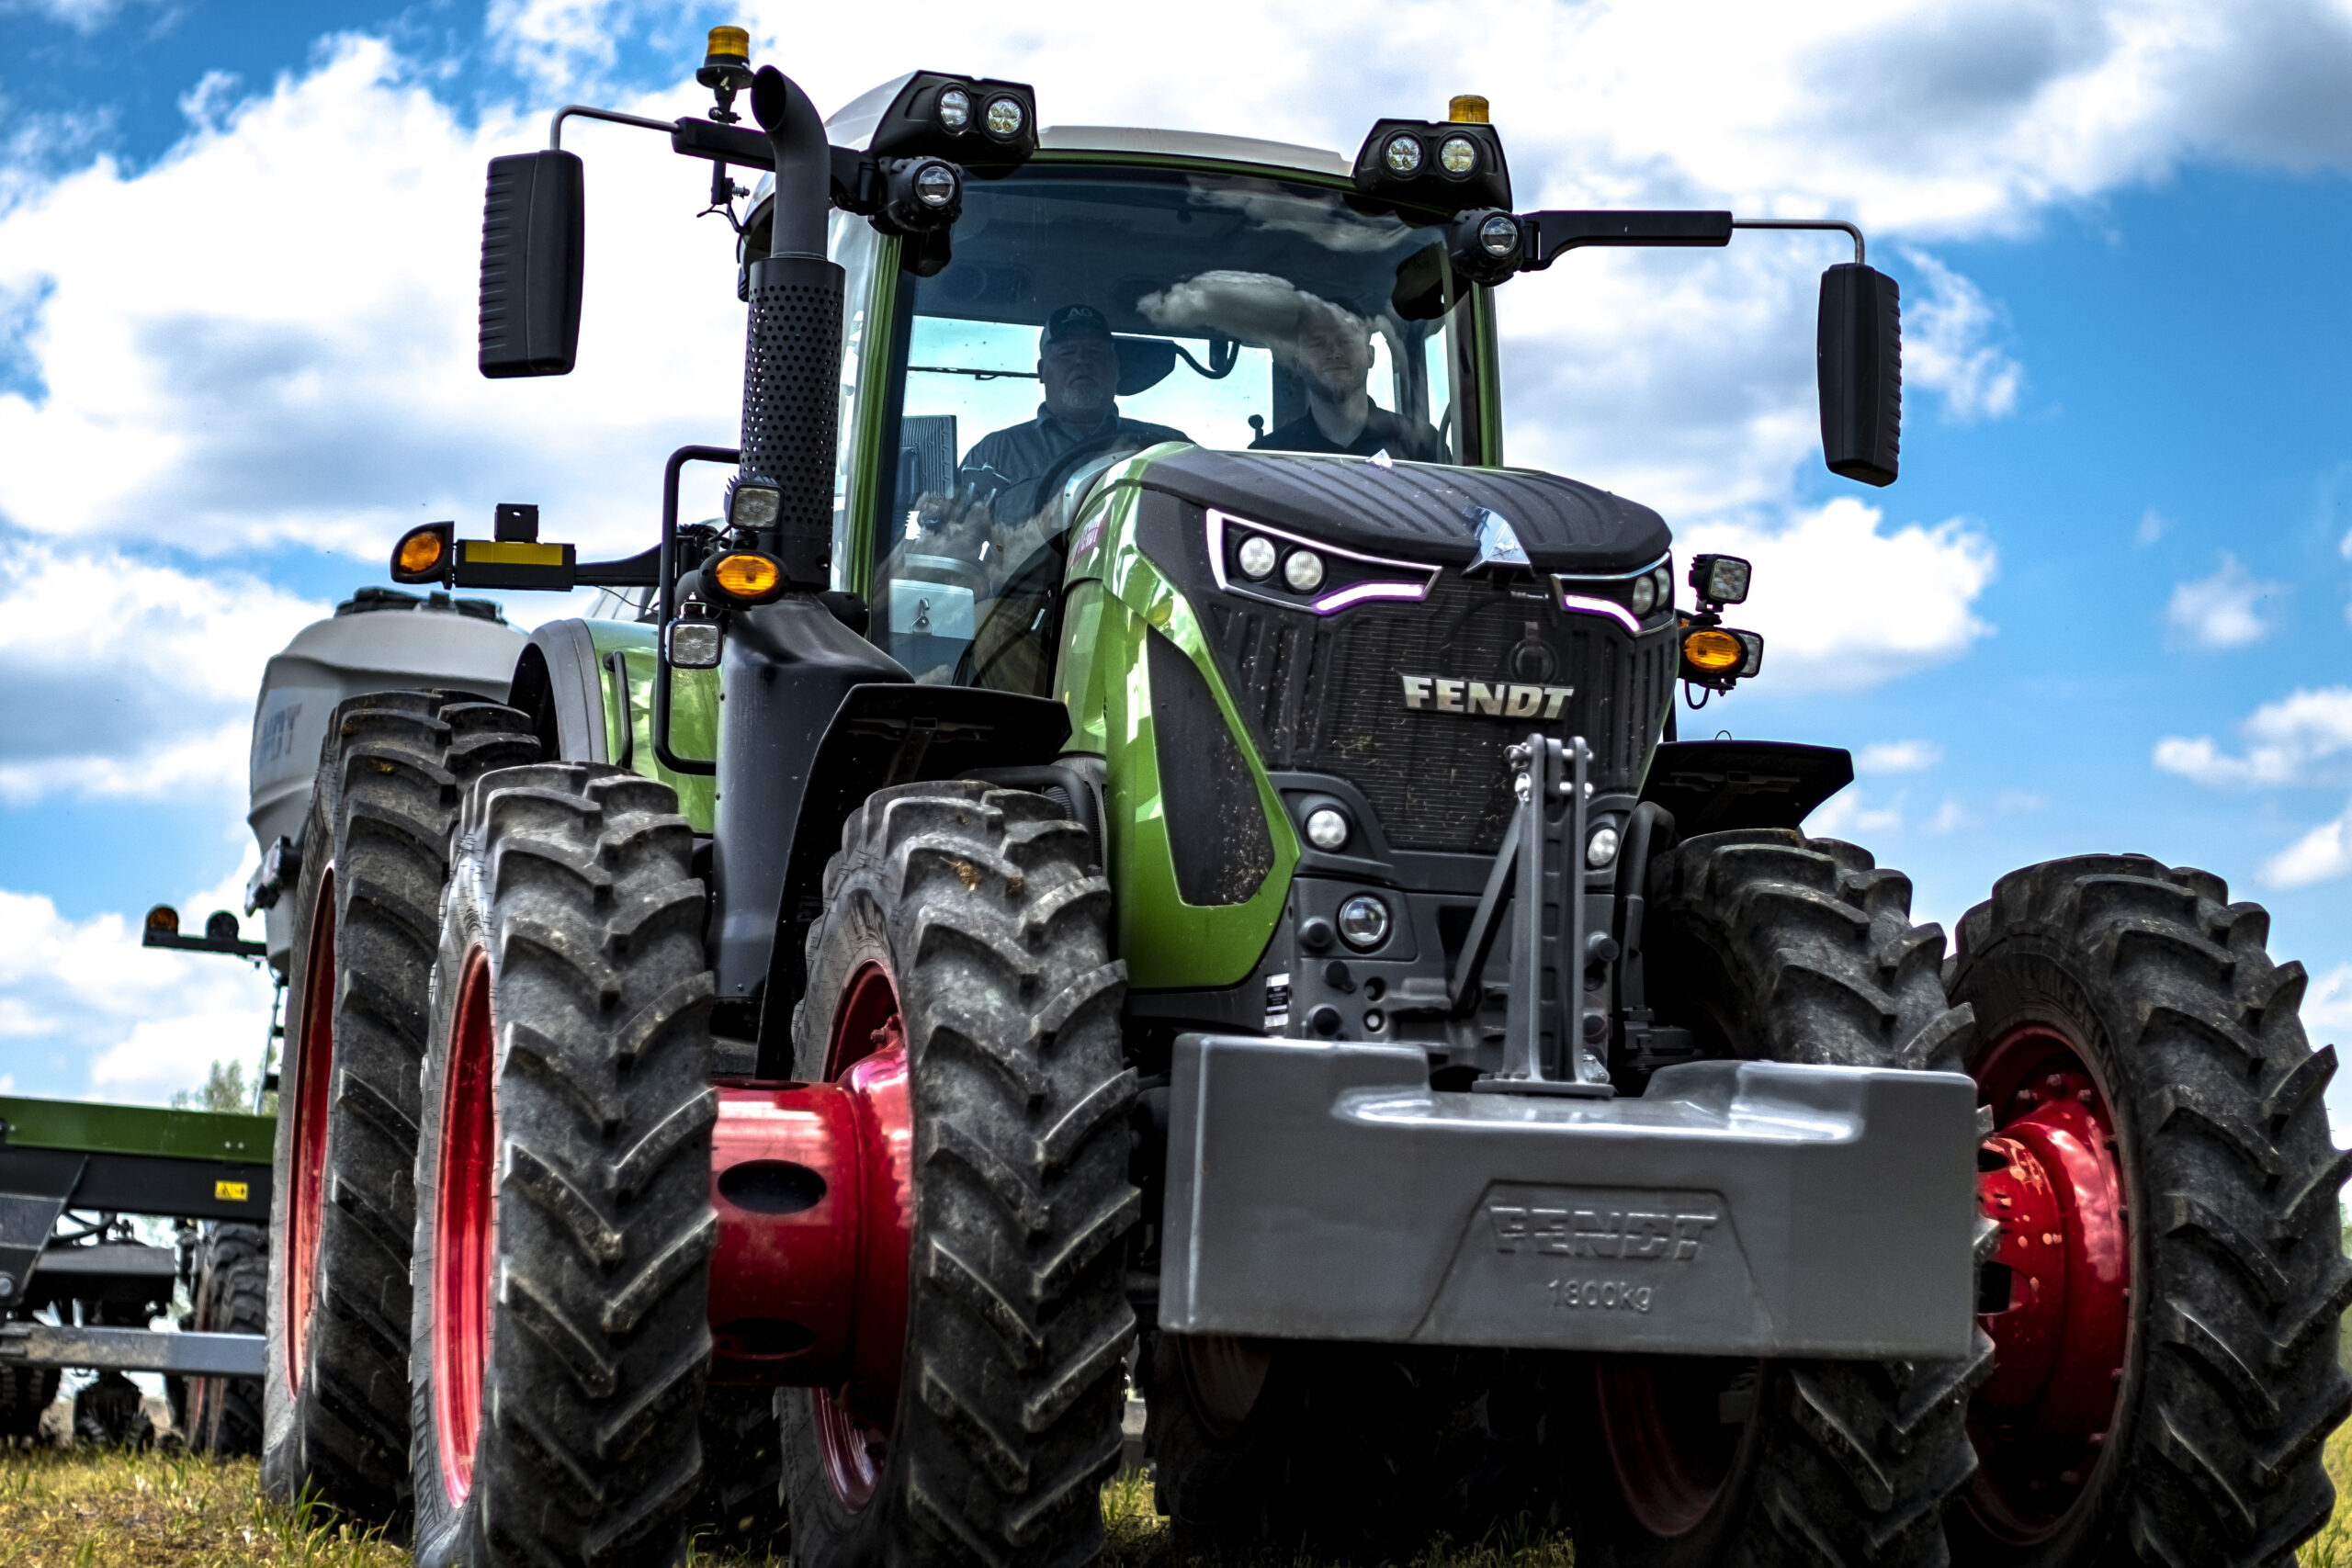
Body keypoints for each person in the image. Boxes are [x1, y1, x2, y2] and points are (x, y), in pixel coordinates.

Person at [954, 304, 1189, 527]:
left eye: (1095, 352)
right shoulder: (994, 454)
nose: (1082, 361)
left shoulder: (1169, 447)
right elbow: (950, 546)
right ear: (1041, 371)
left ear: (1116, 368)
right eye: (1066, 353)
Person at [1249, 296, 1442, 461]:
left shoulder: (1423, 444)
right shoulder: (1269, 455)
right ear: (1299, 364)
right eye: (1318, 344)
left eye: (1346, 340)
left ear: (1370, 356)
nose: (1334, 353)